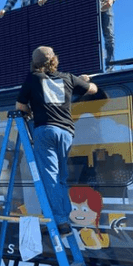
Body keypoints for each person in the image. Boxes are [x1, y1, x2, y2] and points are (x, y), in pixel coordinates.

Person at [15, 46, 98, 235]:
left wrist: (30, 112)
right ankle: (63, 216)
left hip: (46, 131)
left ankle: (61, 221)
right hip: (66, 133)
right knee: (60, 177)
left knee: (50, 177)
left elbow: (19, 107)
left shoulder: (33, 78)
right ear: (54, 60)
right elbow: (93, 89)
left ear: (35, 63)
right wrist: (83, 80)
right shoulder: (68, 78)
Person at [73, 0, 118, 72]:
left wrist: (111, 1)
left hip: (105, 6)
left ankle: (110, 65)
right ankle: (93, 66)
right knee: (91, 38)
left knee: (108, 35)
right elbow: (77, 4)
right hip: (89, 9)